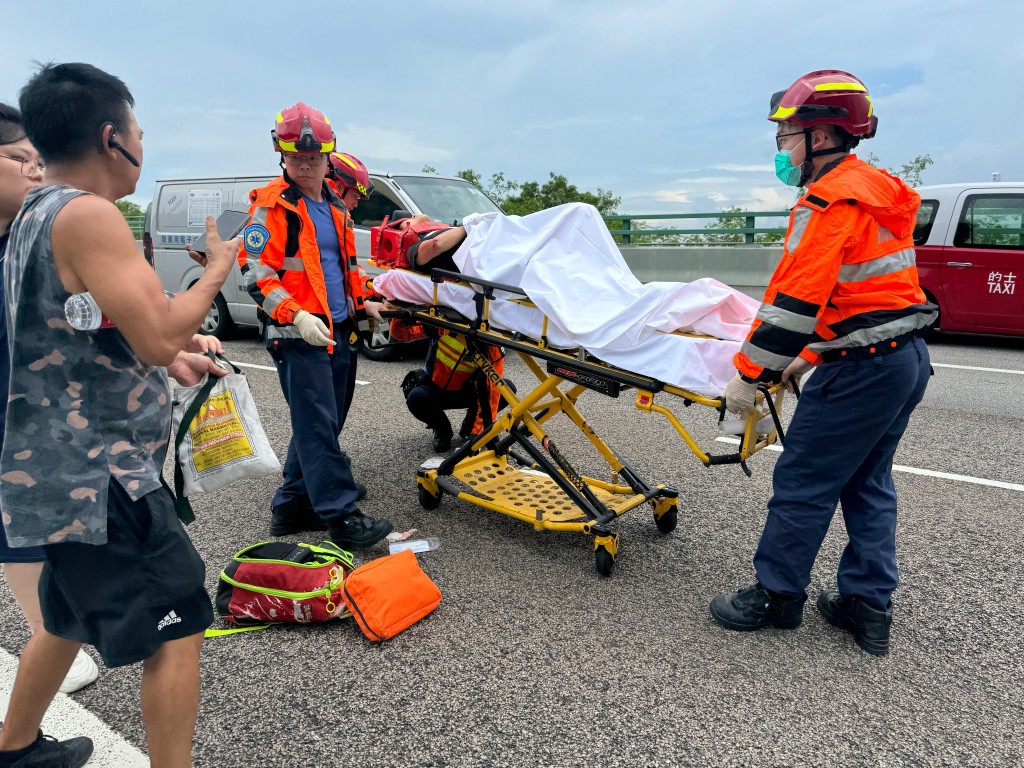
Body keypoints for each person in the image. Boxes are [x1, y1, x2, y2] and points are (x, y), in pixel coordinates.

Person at [0, 63, 238, 768]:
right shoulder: (89, 214)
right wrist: (217, 271)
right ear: (113, 138)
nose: (142, 144)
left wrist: (169, 349)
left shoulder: (35, 213)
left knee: (66, 612)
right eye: (138, 131)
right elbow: (159, 332)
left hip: (50, 467)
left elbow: (86, 322)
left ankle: (14, 748)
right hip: (100, 476)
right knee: (180, 625)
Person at [710, 70, 937, 656]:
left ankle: (778, 596)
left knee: (804, 481)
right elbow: (862, 297)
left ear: (822, 136)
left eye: (787, 135)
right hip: (903, 358)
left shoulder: (829, 201)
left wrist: (752, 374)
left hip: (861, 371)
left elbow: (795, 302)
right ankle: (866, 606)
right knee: (867, 483)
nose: (781, 149)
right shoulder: (879, 190)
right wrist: (806, 357)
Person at [239, 103, 392, 547]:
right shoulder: (272, 207)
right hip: (297, 335)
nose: (305, 163)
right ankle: (342, 516)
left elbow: (344, 268)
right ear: (281, 154)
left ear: (329, 155)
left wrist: (365, 302)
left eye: (314, 156)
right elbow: (255, 273)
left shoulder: (337, 210)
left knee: (324, 422)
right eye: (296, 156)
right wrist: (295, 314)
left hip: (338, 332)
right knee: (318, 425)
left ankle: (290, 507)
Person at [0, 103, 102, 703]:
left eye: (40, 161)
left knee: (29, 532)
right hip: (18, 427)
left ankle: (49, 638)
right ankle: (49, 639)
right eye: (21, 160)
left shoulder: (32, 233)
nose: (36, 173)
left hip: (40, 426)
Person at [404, 330, 509, 453]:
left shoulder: (491, 344)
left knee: (506, 391)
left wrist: (478, 433)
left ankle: (470, 427)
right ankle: (442, 431)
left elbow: (491, 391)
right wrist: (399, 312)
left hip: (467, 392)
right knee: (416, 397)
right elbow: (402, 332)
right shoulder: (441, 322)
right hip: (435, 388)